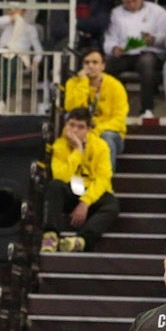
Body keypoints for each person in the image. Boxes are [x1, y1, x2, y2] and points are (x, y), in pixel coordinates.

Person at [42, 107, 119, 253]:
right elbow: (60, 176)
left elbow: (103, 179)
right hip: (69, 191)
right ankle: (50, 236)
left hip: (89, 194)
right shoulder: (59, 145)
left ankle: (80, 241)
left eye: (80, 127)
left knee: (112, 204)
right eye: (71, 125)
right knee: (54, 186)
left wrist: (85, 202)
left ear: (89, 129)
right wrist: (78, 150)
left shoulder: (101, 146)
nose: (75, 130)